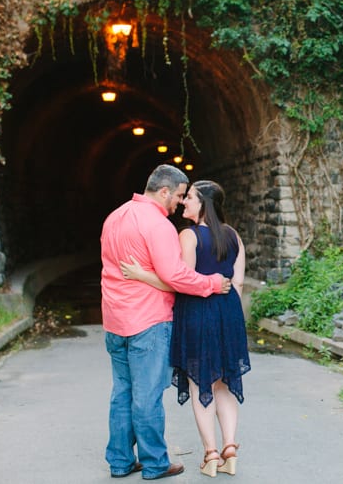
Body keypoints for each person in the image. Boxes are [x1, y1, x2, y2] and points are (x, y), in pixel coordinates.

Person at [100, 165, 232, 480]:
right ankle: (155, 463)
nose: (179, 202)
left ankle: (120, 461)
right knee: (146, 395)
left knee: (123, 392)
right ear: (163, 192)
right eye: (178, 195)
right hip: (147, 320)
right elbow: (175, 275)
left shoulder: (114, 217)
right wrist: (211, 283)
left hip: (114, 319)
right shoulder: (157, 225)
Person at [121, 179, 251, 477]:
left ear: (204, 203)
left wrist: (142, 275)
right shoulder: (234, 236)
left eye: (190, 197)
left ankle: (211, 454)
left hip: (198, 313)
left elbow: (181, 282)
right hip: (229, 313)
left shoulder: (189, 236)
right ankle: (230, 446)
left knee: (200, 382)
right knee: (224, 382)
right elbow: (239, 282)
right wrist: (228, 316)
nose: (184, 202)